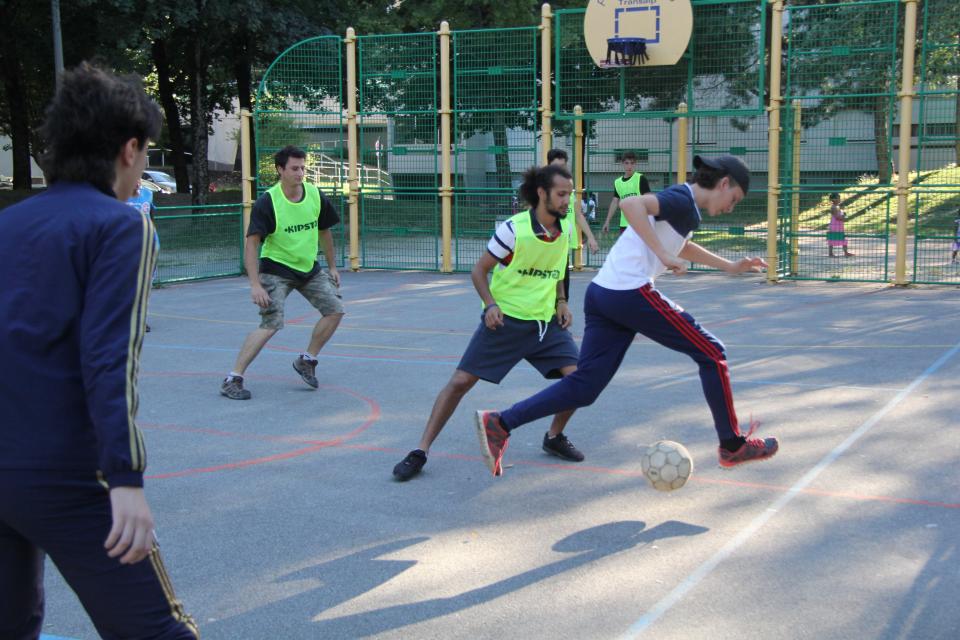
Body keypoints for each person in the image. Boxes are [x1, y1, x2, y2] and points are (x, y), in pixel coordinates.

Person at [0, 63, 197, 639]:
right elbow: (110, 359)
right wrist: (126, 479)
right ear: (129, 149)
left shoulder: (8, 224)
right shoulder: (120, 227)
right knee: (159, 631)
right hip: (64, 473)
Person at [475, 155, 779, 477]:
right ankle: (731, 446)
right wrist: (662, 255)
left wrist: (729, 266)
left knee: (585, 386)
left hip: (603, 294)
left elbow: (680, 245)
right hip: (629, 293)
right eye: (733, 199)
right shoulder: (680, 198)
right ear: (723, 184)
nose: (731, 207)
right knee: (712, 352)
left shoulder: (685, 209)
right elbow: (630, 205)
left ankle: (500, 423)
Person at [392, 164, 585, 481]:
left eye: (570, 194)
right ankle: (420, 450)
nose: (567, 201)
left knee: (581, 381)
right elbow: (479, 271)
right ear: (542, 194)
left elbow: (558, 267)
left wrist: (561, 301)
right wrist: (491, 305)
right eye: (562, 194)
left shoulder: (564, 230)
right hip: (505, 321)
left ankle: (554, 437)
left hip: (545, 324)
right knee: (459, 384)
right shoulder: (514, 229)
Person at [220, 145, 345, 400]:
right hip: (276, 269)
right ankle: (233, 378)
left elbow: (325, 232)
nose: (300, 173)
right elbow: (252, 243)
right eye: (294, 168)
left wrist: (332, 266)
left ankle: (307, 360)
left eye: (303, 168)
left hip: (308, 268)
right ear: (280, 170)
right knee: (270, 324)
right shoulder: (269, 201)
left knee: (335, 311)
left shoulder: (314, 194)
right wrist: (255, 284)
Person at [127, 179, 159, 332]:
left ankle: (141, 319)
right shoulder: (118, 195)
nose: (137, 181)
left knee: (145, 287)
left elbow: (151, 217)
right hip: (127, 250)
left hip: (148, 249)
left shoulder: (148, 194)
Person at [601, 150, 651, 235]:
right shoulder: (618, 182)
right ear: (622, 164)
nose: (629, 166)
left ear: (635, 164)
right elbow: (614, 202)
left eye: (632, 163)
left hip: (639, 224)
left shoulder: (640, 178)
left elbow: (648, 199)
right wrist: (607, 221)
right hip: (624, 225)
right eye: (627, 163)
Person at [827, 192, 854, 258]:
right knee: (832, 238)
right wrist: (844, 217)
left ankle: (846, 252)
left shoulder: (837, 206)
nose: (840, 199)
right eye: (838, 198)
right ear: (834, 199)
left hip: (838, 225)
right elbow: (837, 217)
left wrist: (842, 215)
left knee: (842, 238)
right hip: (835, 226)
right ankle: (830, 253)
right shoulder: (834, 207)